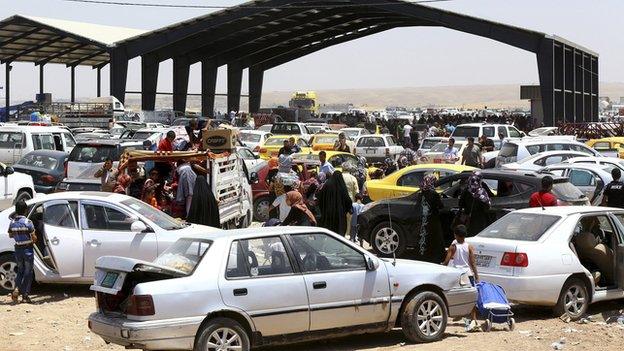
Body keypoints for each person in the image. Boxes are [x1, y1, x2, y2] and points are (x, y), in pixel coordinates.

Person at [442, 224, 479, 329]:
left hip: (457, 275)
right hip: (468, 274)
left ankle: (458, 313)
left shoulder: (453, 247)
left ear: (455, 235)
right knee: (471, 297)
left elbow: (446, 261)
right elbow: (473, 263)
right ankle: (474, 318)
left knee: (456, 295)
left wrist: (441, 265)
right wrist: (476, 275)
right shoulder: (469, 246)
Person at [8, 200, 36, 304]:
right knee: (28, 272)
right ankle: (25, 296)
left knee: (20, 271)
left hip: (18, 249)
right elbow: (34, 238)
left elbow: (11, 235)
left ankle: (16, 289)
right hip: (27, 249)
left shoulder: (12, 223)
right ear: (25, 210)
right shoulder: (28, 222)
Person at [415, 174, 445, 262]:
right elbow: (440, 206)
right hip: (433, 220)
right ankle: (436, 258)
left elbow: (417, 207)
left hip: (423, 221)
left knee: (424, 238)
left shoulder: (421, 193)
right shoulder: (434, 193)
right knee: (435, 239)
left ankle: (423, 256)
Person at [317, 171, 353, 235]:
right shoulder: (341, 186)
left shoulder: (327, 184)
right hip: (340, 214)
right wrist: (348, 208)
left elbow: (320, 198)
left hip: (328, 214)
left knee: (329, 233)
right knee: (339, 233)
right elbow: (347, 199)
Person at [458, 172, 491, 236]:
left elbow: (460, 204)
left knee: (469, 235)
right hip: (480, 219)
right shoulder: (482, 192)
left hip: (468, 218)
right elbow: (487, 206)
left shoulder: (466, 191)